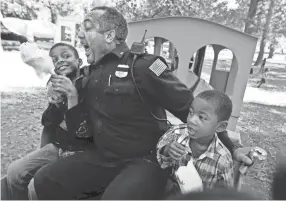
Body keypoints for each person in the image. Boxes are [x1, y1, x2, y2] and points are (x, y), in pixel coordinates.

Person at [30, 6, 253, 200]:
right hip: (102, 157)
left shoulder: (145, 66)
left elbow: (188, 107)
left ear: (109, 36)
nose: (80, 33)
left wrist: (232, 148)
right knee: (45, 180)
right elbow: (81, 129)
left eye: (88, 27)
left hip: (144, 160)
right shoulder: (89, 74)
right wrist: (67, 96)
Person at [3, 42, 93, 200]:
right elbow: (48, 123)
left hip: (82, 150)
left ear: (79, 61)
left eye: (66, 56)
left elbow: (80, 130)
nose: (60, 61)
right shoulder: (56, 86)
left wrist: (72, 95)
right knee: (14, 172)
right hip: (59, 146)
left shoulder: (89, 84)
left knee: (36, 186)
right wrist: (55, 104)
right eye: (54, 59)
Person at [158, 90, 234, 194]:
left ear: (220, 126)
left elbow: (225, 195)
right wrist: (167, 150)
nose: (191, 120)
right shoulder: (176, 134)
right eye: (191, 112)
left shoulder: (223, 160)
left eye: (201, 117)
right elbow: (159, 161)